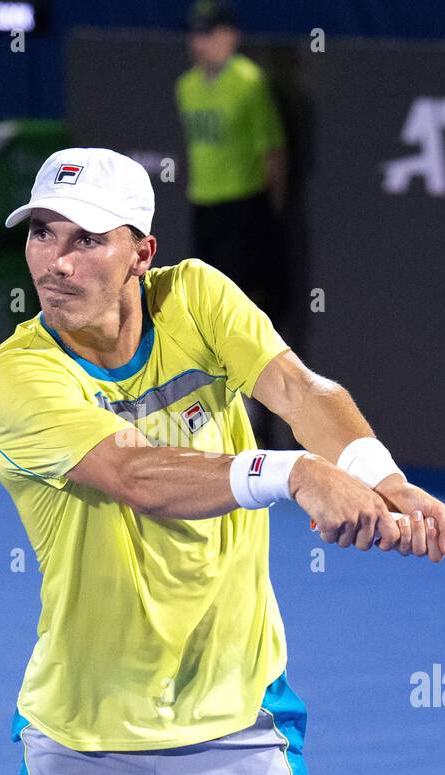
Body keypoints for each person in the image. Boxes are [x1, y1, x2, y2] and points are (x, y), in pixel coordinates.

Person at [0, 146, 445, 775]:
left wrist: (380, 475)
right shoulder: (19, 375)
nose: (56, 263)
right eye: (42, 233)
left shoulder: (195, 298)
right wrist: (296, 473)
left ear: (141, 253)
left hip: (235, 714)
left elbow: (302, 392)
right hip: (82, 730)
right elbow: (135, 476)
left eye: (86, 239)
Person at [176, 0, 290, 447]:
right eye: (195, 34)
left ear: (231, 36)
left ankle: (256, 415)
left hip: (247, 211)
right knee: (206, 313)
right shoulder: (184, 87)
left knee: (249, 311)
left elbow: (273, 152)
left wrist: (272, 215)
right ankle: (215, 416)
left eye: (210, 33)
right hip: (204, 208)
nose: (200, 43)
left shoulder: (249, 83)